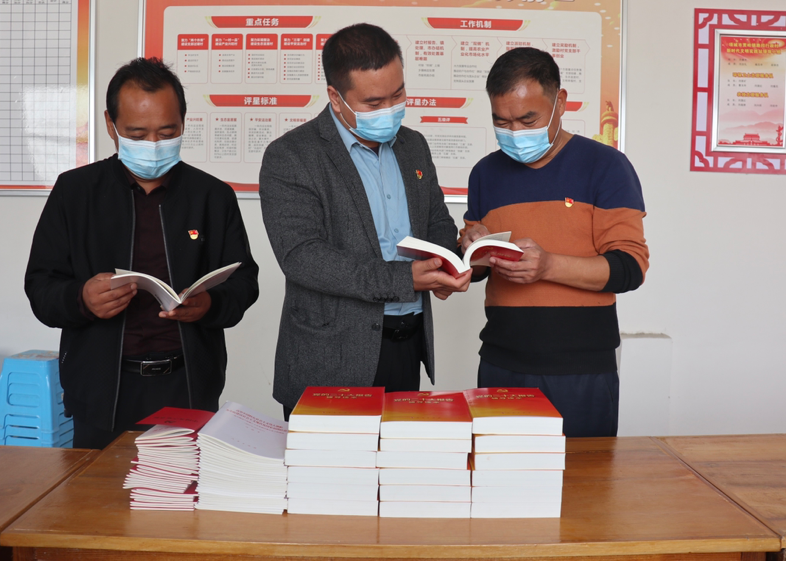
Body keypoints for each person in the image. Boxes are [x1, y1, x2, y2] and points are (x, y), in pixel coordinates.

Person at [24, 58, 259, 449]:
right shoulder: (75, 192)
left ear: (183, 123)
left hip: (187, 387)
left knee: (183, 487)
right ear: (111, 125)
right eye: (137, 133)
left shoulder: (212, 196)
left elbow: (244, 282)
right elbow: (40, 287)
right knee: (98, 489)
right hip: (100, 392)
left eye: (167, 132)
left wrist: (210, 304)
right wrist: (82, 299)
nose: (153, 145)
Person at [259, 23, 470, 419]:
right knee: (329, 463)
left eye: (398, 94)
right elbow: (302, 257)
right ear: (336, 98)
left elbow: (436, 223)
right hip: (330, 357)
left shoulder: (414, 146)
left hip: (407, 345)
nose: (390, 109)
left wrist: (455, 259)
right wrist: (405, 279)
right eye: (374, 102)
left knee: (399, 458)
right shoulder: (292, 156)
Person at [460, 48, 649, 437]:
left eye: (527, 119)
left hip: (581, 370)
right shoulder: (484, 173)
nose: (515, 132)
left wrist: (548, 266)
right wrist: (469, 248)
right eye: (501, 122)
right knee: (496, 473)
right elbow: (477, 272)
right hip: (500, 363)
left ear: (560, 102)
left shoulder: (606, 166)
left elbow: (630, 268)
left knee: (581, 475)